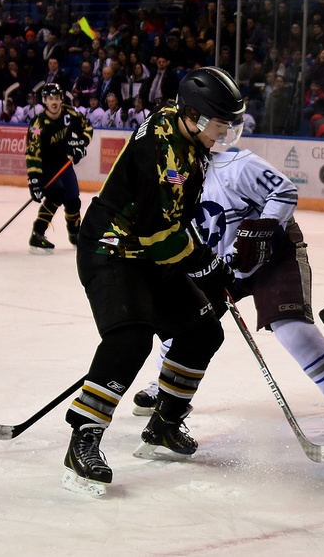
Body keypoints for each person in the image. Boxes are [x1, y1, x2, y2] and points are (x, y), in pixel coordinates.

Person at [63, 67, 246, 496]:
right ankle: (83, 440)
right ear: (195, 116)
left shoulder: (184, 127)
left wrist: (204, 270)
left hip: (148, 251)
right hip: (111, 250)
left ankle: (164, 422)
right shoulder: (163, 153)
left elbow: (172, 224)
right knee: (130, 340)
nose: (223, 134)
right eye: (220, 125)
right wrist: (207, 265)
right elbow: (159, 237)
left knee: (202, 331)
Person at [130, 146, 324, 435]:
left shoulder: (236, 165)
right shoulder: (174, 179)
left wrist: (262, 229)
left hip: (273, 253)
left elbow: (284, 192)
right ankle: (164, 385)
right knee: (184, 325)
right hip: (217, 261)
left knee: (291, 326)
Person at [25, 83, 93, 254]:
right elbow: (32, 154)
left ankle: (75, 233)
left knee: (73, 200)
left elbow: (87, 128)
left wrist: (80, 145)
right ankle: (37, 234)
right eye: (50, 99)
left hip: (64, 164)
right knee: (55, 196)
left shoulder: (70, 113)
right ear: (44, 101)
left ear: (61, 99)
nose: (54, 102)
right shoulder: (38, 125)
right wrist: (34, 181)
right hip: (46, 166)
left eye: (56, 98)